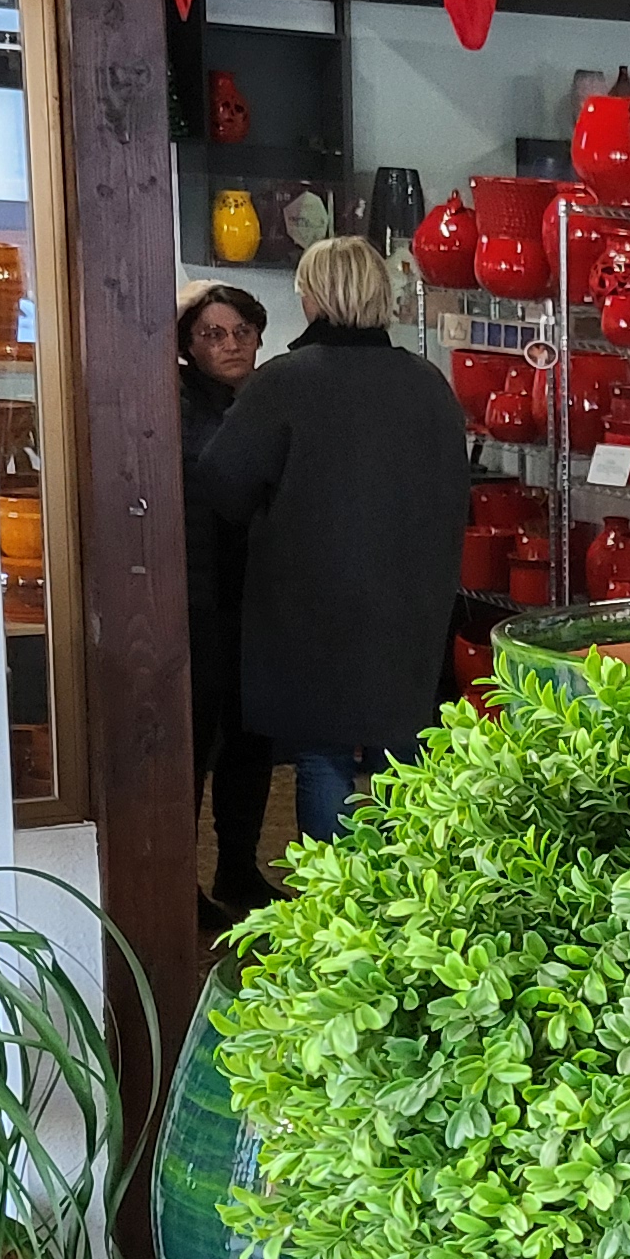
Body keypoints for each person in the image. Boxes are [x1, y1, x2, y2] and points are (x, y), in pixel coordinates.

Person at [191, 234, 471, 844]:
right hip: (411, 606)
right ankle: (408, 907)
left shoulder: (284, 384)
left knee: (323, 759)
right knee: (403, 761)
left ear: (312, 297)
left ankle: (334, 909)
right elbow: (458, 495)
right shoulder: (428, 385)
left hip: (309, 607)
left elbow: (222, 484)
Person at [176, 281, 274, 921]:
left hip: (257, 597)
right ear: (188, 346)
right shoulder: (178, 406)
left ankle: (239, 867)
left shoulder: (266, 400)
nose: (231, 345)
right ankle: (179, 881)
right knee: (192, 745)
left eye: (240, 332)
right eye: (213, 334)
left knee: (252, 737)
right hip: (197, 600)